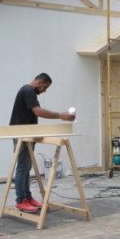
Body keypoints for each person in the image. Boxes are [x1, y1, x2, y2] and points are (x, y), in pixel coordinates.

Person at [10, 73, 75, 213]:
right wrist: (60, 115)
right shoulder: (28, 90)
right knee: (22, 167)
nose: (44, 90)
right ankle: (21, 200)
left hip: (27, 134)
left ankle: (27, 197)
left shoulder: (29, 92)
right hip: (21, 135)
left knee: (26, 167)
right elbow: (38, 112)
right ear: (39, 81)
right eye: (45, 87)